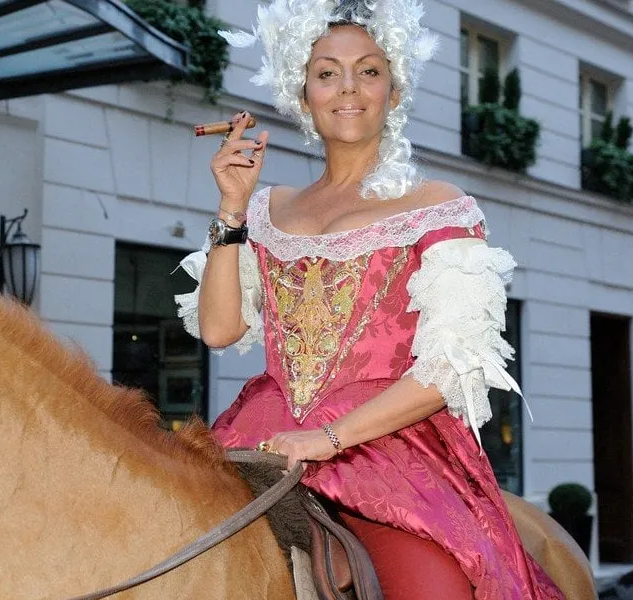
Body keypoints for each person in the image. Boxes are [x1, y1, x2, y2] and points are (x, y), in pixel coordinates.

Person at [175, 1, 564, 598]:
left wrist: (327, 439)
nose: (348, 88)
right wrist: (232, 209)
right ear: (302, 94)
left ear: (395, 90)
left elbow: (452, 367)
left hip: (393, 452)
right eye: (327, 73)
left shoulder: (437, 206)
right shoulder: (266, 207)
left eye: (369, 71)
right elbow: (219, 330)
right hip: (264, 437)